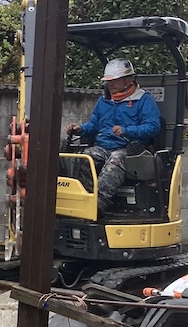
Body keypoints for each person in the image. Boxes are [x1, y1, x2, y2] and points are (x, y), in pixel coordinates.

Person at [66, 57, 162, 213]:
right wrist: (80, 129)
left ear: (128, 80)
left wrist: (127, 130)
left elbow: (153, 127)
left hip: (131, 150)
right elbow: (94, 124)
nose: (109, 84)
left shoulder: (143, 100)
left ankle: (98, 203)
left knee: (116, 159)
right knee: (85, 157)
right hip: (104, 146)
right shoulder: (103, 101)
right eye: (108, 81)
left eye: (114, 81)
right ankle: (85, 197)